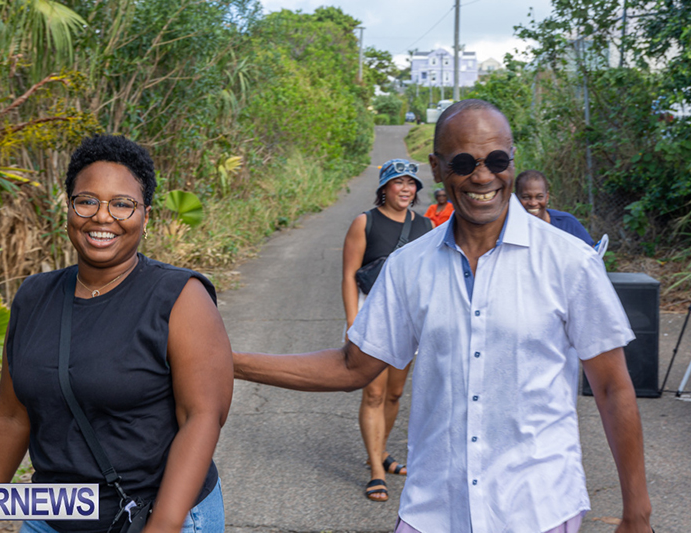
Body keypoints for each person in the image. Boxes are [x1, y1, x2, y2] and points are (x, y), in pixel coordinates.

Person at [233, 100, 653, 532]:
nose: (483, 176)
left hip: (537, 506)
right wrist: (228, 363)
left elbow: (611, 387)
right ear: (436, 168)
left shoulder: (570, 262)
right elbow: (351, 366)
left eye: (497, 160)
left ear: (512, 160)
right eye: (464, 163)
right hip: (434, 508)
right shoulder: (407, 267)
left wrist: (637, 514)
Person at [0, 135, 233, 533]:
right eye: (87, 201)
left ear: (146, 216)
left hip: (152, 515)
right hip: (51, 514)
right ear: (69, 208)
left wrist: (162, 526)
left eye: (122, 204)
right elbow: (10, 415)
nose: (102, 217)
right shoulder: (33, 296)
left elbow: (202, 417)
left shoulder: (180, 296)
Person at [341, 159, 433, 501]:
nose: (406, 189)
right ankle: (377, 472)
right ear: (385, 187)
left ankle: (378, 451)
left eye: (411, 183)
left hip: (408, 319)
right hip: (372, 316)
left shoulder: (425, 225)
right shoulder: (364, 222)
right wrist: (353, 322)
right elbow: (349, 275)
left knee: (394, 393)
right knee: (374, 394)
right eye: (399, 182)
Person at [516, 169, 595, 246]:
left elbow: (591, 252)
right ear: (515, 198)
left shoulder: (566, 223)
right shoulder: (512, 229)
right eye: (526, 197)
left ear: (547, 197)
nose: (533, 203)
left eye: (539, 197)